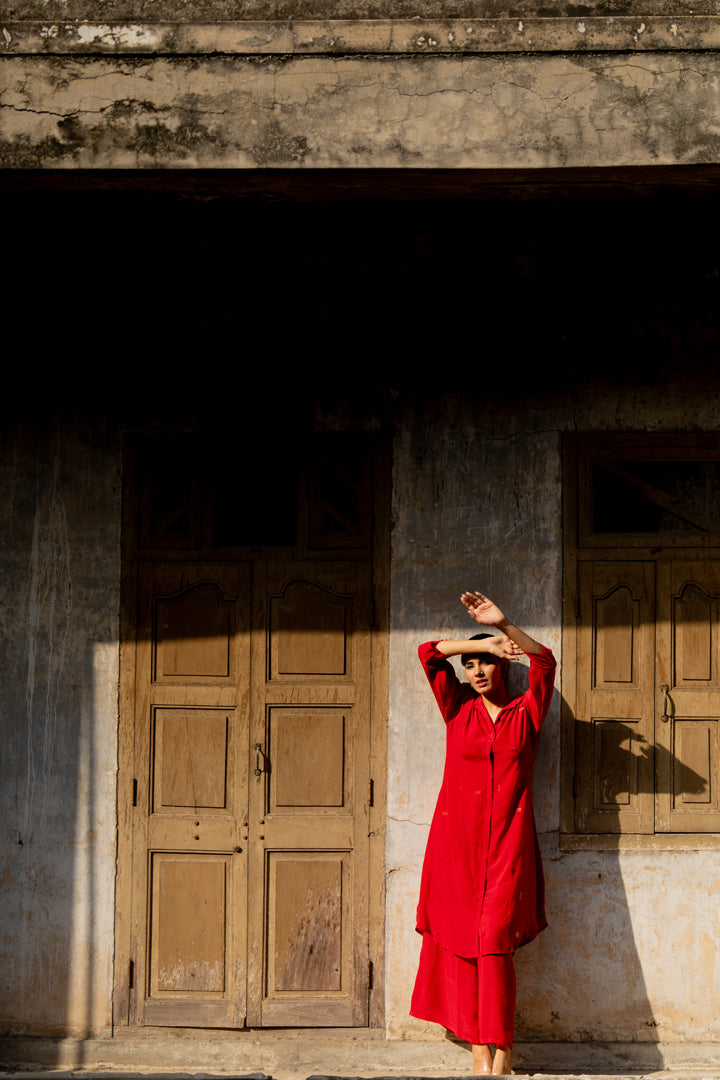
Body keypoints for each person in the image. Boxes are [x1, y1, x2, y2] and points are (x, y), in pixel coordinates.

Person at [410, 590, 556, 1075]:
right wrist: (477, 644)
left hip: (507, 848)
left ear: (504, 666)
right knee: (463, 946)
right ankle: (479, 1052)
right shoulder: (456, 709)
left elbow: (544, 661)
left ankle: (503, 1052)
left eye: (486, 662)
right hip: (456, 850)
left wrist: (503, 627)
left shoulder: (527, 712)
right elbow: (428, 653)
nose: (476, 670)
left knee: (494, 944)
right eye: (470, 664)